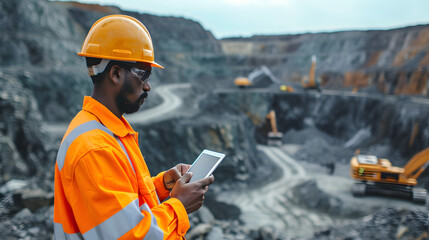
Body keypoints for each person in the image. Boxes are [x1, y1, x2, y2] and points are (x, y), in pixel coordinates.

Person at [53, 14, 214, 240]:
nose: (147, 86)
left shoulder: (106, 129)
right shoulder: (95, 149)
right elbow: (129, 235)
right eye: (143, 74)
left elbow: (119, 207)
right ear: (116, 73)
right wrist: (179, 205)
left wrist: (161, 186)